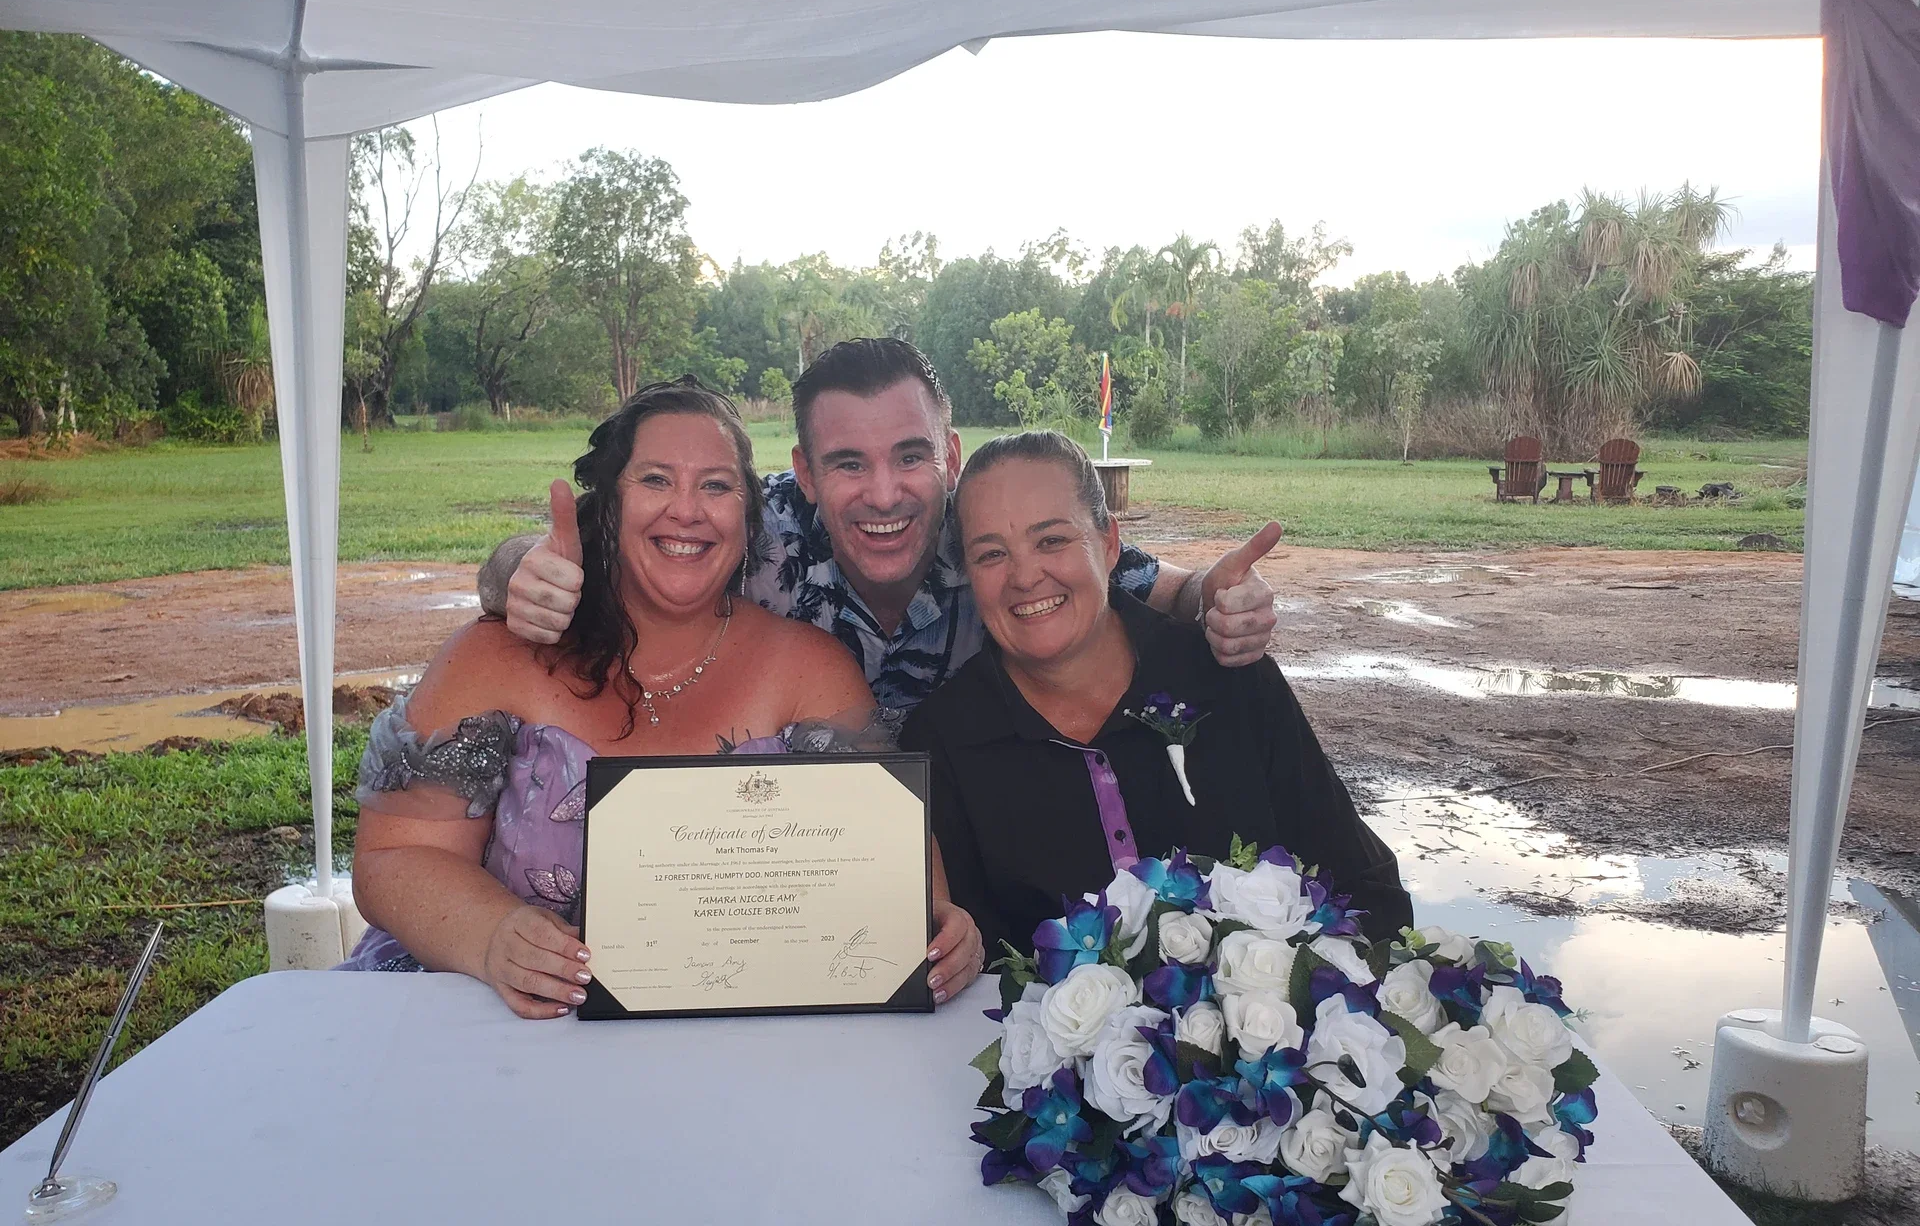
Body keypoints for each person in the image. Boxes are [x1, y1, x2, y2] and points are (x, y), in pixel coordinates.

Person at [347, 378, 987, 1017]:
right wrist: (491, 937)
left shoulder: (809, 673)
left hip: (742, 1034)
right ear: (612, 503)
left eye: (716, 486)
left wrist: (939, 930)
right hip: (501, 1022)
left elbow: (897, 870)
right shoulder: (497, 656)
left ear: (750, 516)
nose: (687, 510)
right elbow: (394, 857)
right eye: (656, 480)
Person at [479, 339, 1284, 716]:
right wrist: (518, 571)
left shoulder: (992, 532)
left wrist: (1223, 597)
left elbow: (1161, 589)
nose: (885, 493)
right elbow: (546, 556)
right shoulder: (742, 529)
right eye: (849, 465)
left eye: (910, 456)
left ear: (951, 454)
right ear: (803, 471)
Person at [900, 431, 1412, 960]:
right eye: (991, 554)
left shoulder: (1231, 683)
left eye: (1052, 540)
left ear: (1108, 544)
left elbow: (1363, 892)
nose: (1025, 576)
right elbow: (966, 958)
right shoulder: (943, 743)